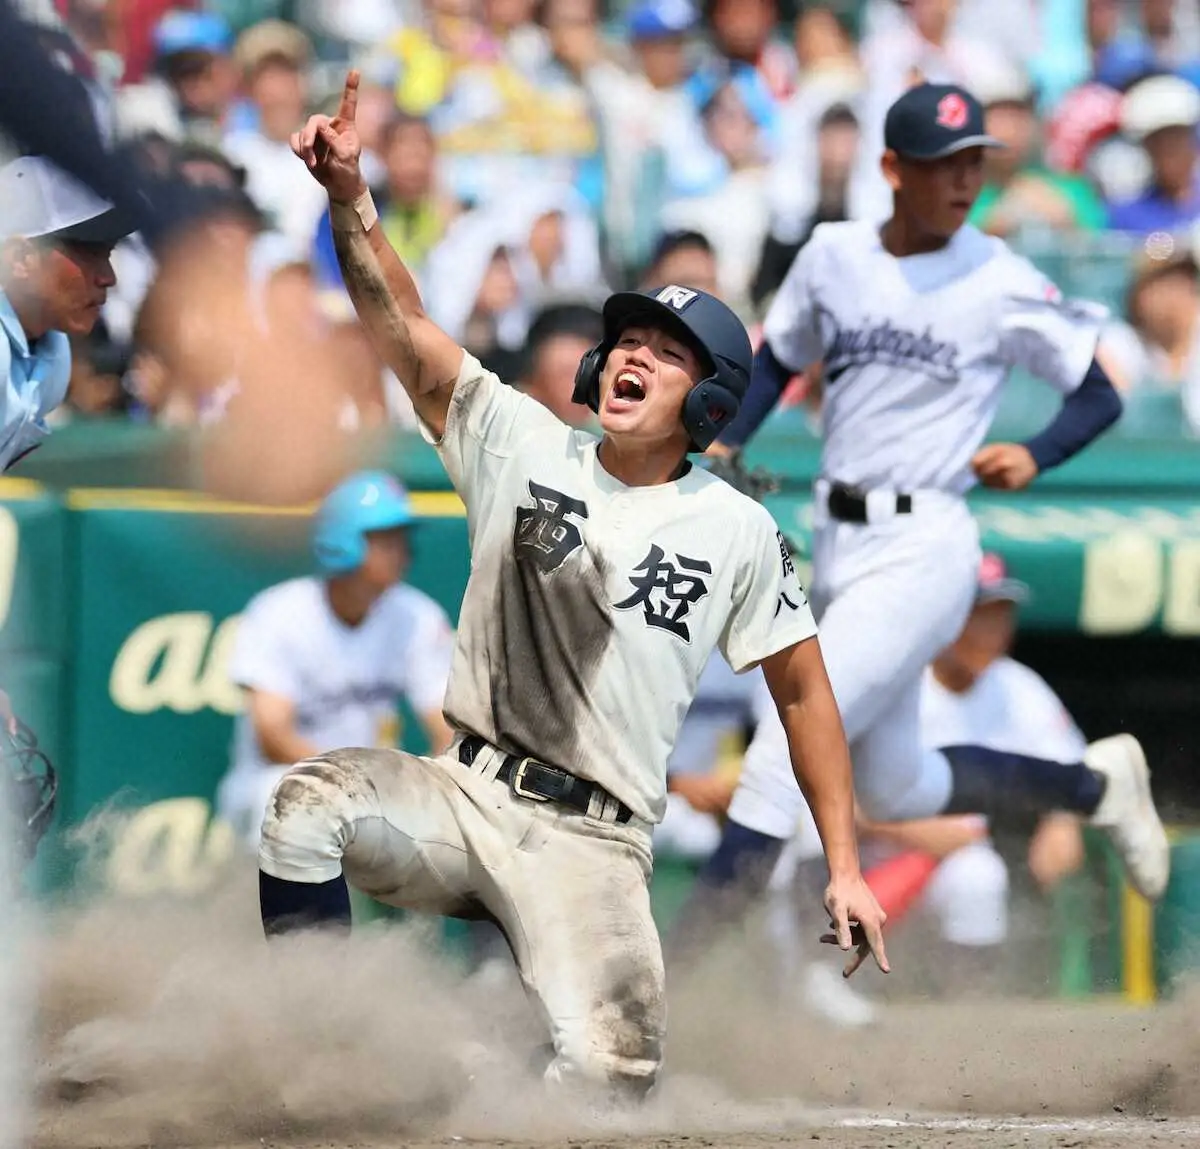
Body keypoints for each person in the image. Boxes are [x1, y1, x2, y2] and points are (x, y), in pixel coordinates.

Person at [258, 69, 886, 1104]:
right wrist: (351, 202)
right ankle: (329, 1052)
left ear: (712, 398)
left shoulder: (739, 530)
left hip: (594, 844)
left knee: (606, 1082)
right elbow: (405, 330)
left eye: (668, 351)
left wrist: (847, 864)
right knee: (304, 807)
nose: (635, 354)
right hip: (466, 791)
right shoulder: (523, 443)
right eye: (629, 338)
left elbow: (806, 692)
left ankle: (465, 1073)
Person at [668, 82, 1170, 962]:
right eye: (944, 163)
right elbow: (781, 357)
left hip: (926, 541)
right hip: (838, 538)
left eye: (975, 161)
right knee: (898, 785)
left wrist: (1038, 453)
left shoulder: (999, 274)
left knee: (784, 756)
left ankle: (656, 994)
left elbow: (1098, 394)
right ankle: (1094, 785)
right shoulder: (834, 255)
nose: (964, 179)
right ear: (894, 168)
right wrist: (724, 442)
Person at [215, 470, 455, 850]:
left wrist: (417, 790)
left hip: (370, 791)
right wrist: (359, 785)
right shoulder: (279, 614)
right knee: (286, 798)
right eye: (387, 540)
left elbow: (447, 730)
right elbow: (273, 738)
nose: (403, 552)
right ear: (344, 542)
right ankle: (277, 911)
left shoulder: (417, 617)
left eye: (401, 539)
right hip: (284, 780)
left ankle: (407, 912)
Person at [0, 153, 133, 470]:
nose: (108, 277)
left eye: (109, 252)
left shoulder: (53, 353)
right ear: (20, 259)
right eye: (88, 252)